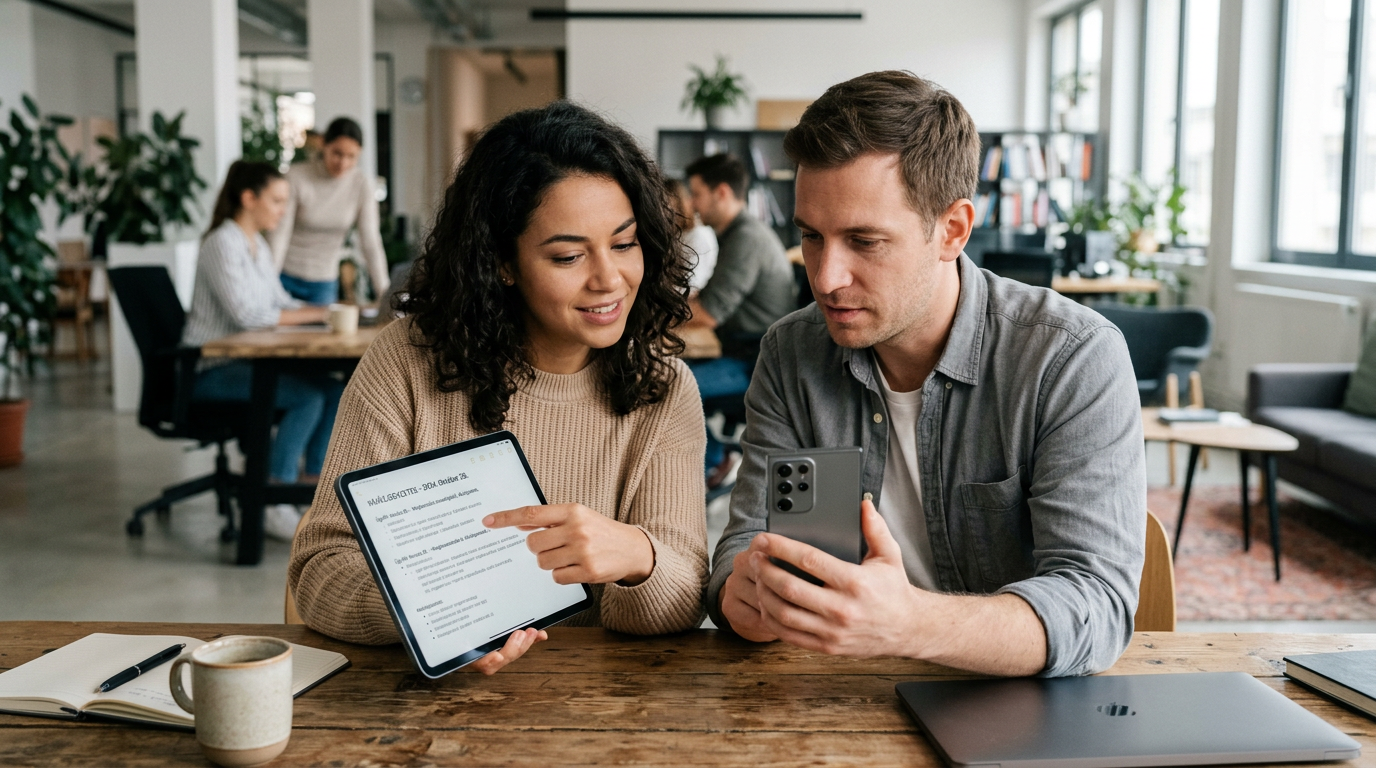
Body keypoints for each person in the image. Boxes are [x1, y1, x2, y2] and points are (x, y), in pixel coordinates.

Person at [708, 71, 1146, 678]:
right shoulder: (792, 352)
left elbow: (1095, 605)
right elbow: (744, 545)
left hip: (1016, 705)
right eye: (811, 236)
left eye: (865, 241)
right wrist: (746, 597)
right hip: (835, 694)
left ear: (953, 230)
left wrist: (908, 623)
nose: (826, 276)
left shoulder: (1069, 357)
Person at [289, 102, 708, 674]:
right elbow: (319, 567)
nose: (609, 278)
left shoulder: (664, 386)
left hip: (605, 710)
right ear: (503, 263)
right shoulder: (407, 361)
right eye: (568, 255)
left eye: (624, 243)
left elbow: (686, 592)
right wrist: (438, 617)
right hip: (431, 716)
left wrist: (638, 557)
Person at [182, 161, 345, 540]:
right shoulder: (223, 243)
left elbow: (280, 301)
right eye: (276, 200)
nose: (282, 210)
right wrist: (317, 312)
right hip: (211, 370)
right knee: (305, 398)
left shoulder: (256, 245)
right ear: (248, 197)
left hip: (245, 365)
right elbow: (249, 315)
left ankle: (309, 487)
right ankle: (274, 498)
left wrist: (325, 315)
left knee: (335, 390)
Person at [683, 154, 797, 485]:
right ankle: (714, 455)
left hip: (755, 364)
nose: (692, 203)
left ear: (721, 193)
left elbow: (706, 314)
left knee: (666, 385)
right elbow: (708, 300)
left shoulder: (746, 238)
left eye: (697, 193)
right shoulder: (736, 233)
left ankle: (717, 459)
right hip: (742, 350)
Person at [271, 117, 389, 305]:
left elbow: (371, 242)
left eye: (351, 157)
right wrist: (269, 284)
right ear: (323, 144)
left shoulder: (361, 184)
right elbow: (279, 235)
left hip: (324, 282)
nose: (343, 163)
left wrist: (384, 294)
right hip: (285, 276)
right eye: (337, 153)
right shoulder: (295, 177)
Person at [664, 176, 718, 292]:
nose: (665, 216)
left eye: (671, 209)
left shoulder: (699, 235)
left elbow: (691, 284)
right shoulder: (675, 235)